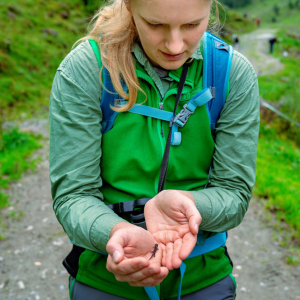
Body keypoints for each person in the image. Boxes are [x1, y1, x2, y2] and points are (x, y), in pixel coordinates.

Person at [49, 0, 260, 299]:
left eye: (191, 25)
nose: (175, 45)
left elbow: (234, 193)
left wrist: (187, 203)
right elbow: (73, 195)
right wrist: (115, 233)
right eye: (156, 25)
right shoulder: (86, 69)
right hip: (105, 277)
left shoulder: (231, 73)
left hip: (202, 277)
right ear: (130, 7)